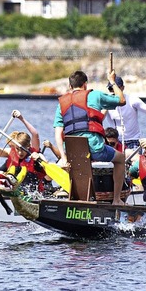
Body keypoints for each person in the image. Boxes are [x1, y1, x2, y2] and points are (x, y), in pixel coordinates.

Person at [54, 70, 126, 205]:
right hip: (95, 147)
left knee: (80, 164)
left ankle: (76, 198)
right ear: (85, 84)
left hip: (72, 151)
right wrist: (112, 82)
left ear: (70, 86)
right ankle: (116, 200)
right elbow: (122, 100)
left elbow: (58, 133)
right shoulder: (95, 95)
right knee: (121, 159)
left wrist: (64, 159)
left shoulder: (61, 104)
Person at [0, 110, 47, 193]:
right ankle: (10, 187)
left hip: (34, 193)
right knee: (8, 171)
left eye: (22, 149)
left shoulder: (34, 152)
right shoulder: (10, 153)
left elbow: (35, 134)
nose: (20, 153)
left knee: (24, 171)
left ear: (28, 146)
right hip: (17, 191)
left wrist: (21, 118)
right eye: (17, 149)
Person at [103, 75, 146, 152]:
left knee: (135, 162)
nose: (113, 92)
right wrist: (107, 104)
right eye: (110, 89)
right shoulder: (106, 102)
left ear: (122, 88)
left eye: (116, 89)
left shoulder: (132, 99)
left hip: (133, 140)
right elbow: (99, 118)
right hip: (115, 141)